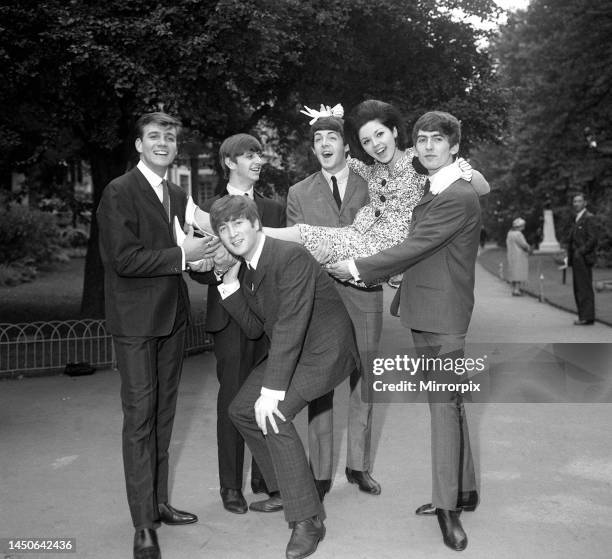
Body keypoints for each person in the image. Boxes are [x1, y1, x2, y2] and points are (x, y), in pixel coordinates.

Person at [329, 111, 481, 552]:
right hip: (423, 309)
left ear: (454, 146)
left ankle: (448, 508)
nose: (429, 146)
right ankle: (465, 491)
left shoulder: (457, 194)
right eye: (423, 139)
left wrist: (358, 266)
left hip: (446, 317)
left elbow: (417, 244)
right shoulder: (436, 186)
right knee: (451, 406)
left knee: (443, 408)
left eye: (438, 140)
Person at [209, 195, 359, 559]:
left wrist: (272, 391)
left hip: (323, 350)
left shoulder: (288, 256)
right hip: (293, 349)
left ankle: (308, 520)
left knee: (273, 414)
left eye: (238, 223)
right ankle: (288, 491)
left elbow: (291, 324)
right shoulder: (248, 268)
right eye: (224, 229)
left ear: (256, 223)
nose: (232, 233)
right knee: (242, 410)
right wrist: (227, 282)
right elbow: (255, 328)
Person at [188, 100, 489, 274]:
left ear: (395, 131)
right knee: (305, 233)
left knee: (306, 233)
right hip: (359, 234)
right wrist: (328, 125)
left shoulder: (417, 159)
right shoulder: (369, 169)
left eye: (380, 135)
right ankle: (227, 228)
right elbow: (333, 156)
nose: (375, 145)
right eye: (367, 141)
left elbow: (481, 188)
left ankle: (223, 226)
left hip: (382, 245)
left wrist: (463, 170)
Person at [97, 112, 213, 559]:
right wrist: (184, 255)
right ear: (139, 145)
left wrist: (201, 260)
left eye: (169, 137)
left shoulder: (178, 193)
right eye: (154, 136)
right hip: (136, 325)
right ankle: (143, 524)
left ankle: (160, 502)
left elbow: (187, 246)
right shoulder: (119, 191)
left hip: (172, 320)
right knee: (140, 419)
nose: (163, 142)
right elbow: (124, 260)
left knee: (164, 417)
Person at [286, 109, 382, 499]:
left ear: (346, 145)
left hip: (364, 295)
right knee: (319, 384)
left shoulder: (372, 183)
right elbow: (294, 244)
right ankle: (320, 473)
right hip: (321, 298)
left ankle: (359, 466)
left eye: (331, 138)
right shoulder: (299, 192)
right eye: (317, 140)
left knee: (367, 383)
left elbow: (384, 234)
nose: (324, 145)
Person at [190, 133, 286, 514]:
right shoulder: (207, 211)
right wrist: (215, 266)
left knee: (271, 398)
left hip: (269, 319)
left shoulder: (274, 210)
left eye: (259, 153)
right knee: (232, 401)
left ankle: (267, 479)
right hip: (228, 318)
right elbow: (198, 272)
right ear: (230, 162)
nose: (258, 160)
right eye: (249, 155)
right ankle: (231, 486)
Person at [568, 192, 598, 325]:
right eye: (574, 201)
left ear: (585, 203)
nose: (576, 204)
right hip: (576, 259)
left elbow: (592, 239)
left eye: (579, 201)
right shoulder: (576, 218)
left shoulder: (589, 218)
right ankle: (584, 316)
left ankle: (587, 317)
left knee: (584, 287)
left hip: (584, 258)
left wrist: (580, 252)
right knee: (578, 288)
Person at [506, 217, 531, 296]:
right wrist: (528, 248)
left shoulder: (510, 233)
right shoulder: (518, 234)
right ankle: (517, 290)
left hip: (511, 254)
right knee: (518, 272)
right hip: (519, 256)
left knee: (513, 272)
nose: (524, 227)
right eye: (523, 225)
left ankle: (514, 289)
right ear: (519, 226)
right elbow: (523, 244)